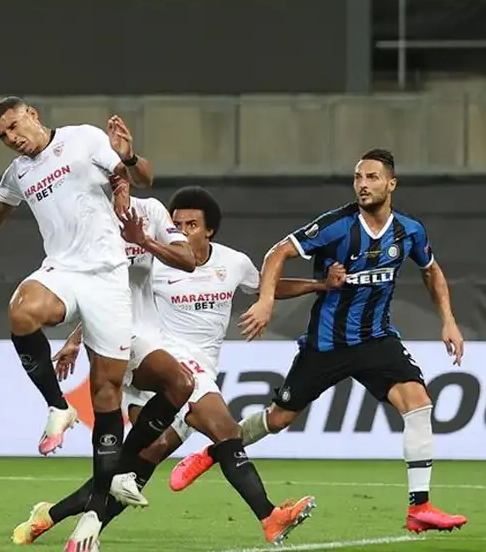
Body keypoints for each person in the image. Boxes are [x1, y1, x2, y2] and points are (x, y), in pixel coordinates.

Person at [0, 97, 194, 551]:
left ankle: (93, 516)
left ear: (32, 114)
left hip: (109, 280)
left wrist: (126, 165)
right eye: (3, 136)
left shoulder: (84, 138)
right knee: (22, 312)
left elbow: (138, 177)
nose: (12, 138)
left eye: (14, 126)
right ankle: (57, 407)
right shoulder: (18, 173)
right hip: (63, 271)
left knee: (107, 395)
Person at [15, 186, 337, 547]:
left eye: (192, 224)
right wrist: (76, 341)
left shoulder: (233, 263)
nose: (183, 230)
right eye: (177, 223)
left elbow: (269, 285)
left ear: (209, 230)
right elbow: (113, 299)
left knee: (136, 470)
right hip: (165, 364)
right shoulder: (155, 262)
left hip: (202, 367)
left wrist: (319, 285)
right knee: (226, 431)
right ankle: (269, 517)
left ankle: (49, 516)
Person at [172, 150, 468, 533]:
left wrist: (449, 321)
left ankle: (419, 508)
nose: (363, 184)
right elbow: (278, 253)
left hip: (376, 340)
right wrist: (265, 301)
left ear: (391, 184)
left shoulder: (409, 231)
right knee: (279, 418)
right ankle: (215, 450)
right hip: (325, 345)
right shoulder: (338, 226)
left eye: (373, 177)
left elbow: (431, 271)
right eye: (359, 177)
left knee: (418, 403)